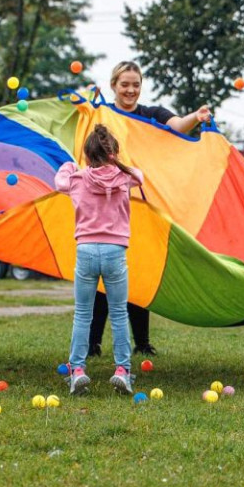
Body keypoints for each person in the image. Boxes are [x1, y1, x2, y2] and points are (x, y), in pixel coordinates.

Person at [87, 60, 210, 358]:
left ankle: (141, 341)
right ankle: (92, 344)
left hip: (143, 210)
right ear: (114, 85)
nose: (131, 89)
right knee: (103, 279)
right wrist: (91, 105)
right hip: (105, 210)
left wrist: (197, 115)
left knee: (139, 274)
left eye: (136, 84)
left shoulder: (152, 115)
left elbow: (179, 125)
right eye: (125, 84)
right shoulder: (102, 117)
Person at [56, 125, 145, 396]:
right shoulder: (124, 178)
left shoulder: (77, 179)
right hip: (115, 252)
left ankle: (78, 371)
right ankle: (122, 371)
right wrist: (118, 163)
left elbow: (59, 181)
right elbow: (140, 176)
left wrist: (71, 165)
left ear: (86, 155)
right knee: (119, 313)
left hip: (85, 250)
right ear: (113, 153)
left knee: (82, 314)